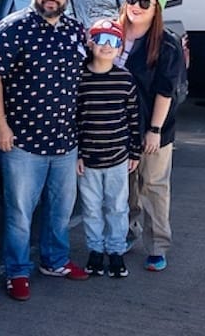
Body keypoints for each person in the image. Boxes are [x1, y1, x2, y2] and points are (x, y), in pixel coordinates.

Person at [0, 0, 90, 302]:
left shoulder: (75, 31)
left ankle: (55, 261)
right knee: (19, 213)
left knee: (60, 209)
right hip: (22, 143)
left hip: (65, 141)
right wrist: (0, 125)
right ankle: (17, 272)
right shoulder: (13, 28)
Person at [117, 0, 183, 272]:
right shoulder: (111, 34)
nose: (136, 6)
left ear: (157, 8)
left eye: (145, 2)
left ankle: (157, 246)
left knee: (153, 186)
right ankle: (129, 233)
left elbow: (164, 91)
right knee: (126, 188)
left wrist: (154, 130)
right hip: (117, 128)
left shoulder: (166, 43)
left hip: (152, 127)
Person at [76, 19, 140, 278]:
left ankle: (115, 252)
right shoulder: (79, 78)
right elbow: (74, 118)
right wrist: (77, 153)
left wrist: (134, 151)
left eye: (113, 41)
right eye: (101, 39)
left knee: (117, 206)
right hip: (88, 160)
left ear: (120, 48)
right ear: (91, 43)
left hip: (117, 158)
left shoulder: (125, 79)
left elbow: (133, 117)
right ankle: (95, 250)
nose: (107, 46)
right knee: (91, 208)